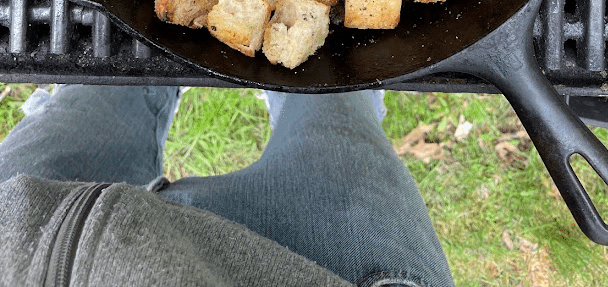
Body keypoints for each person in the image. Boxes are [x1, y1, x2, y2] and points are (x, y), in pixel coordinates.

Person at [0, 84, 455, 286]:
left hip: (32, 221)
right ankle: (300, 81)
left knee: (106, 86)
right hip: (334, 267)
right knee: (333, 100)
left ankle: (157, 73)